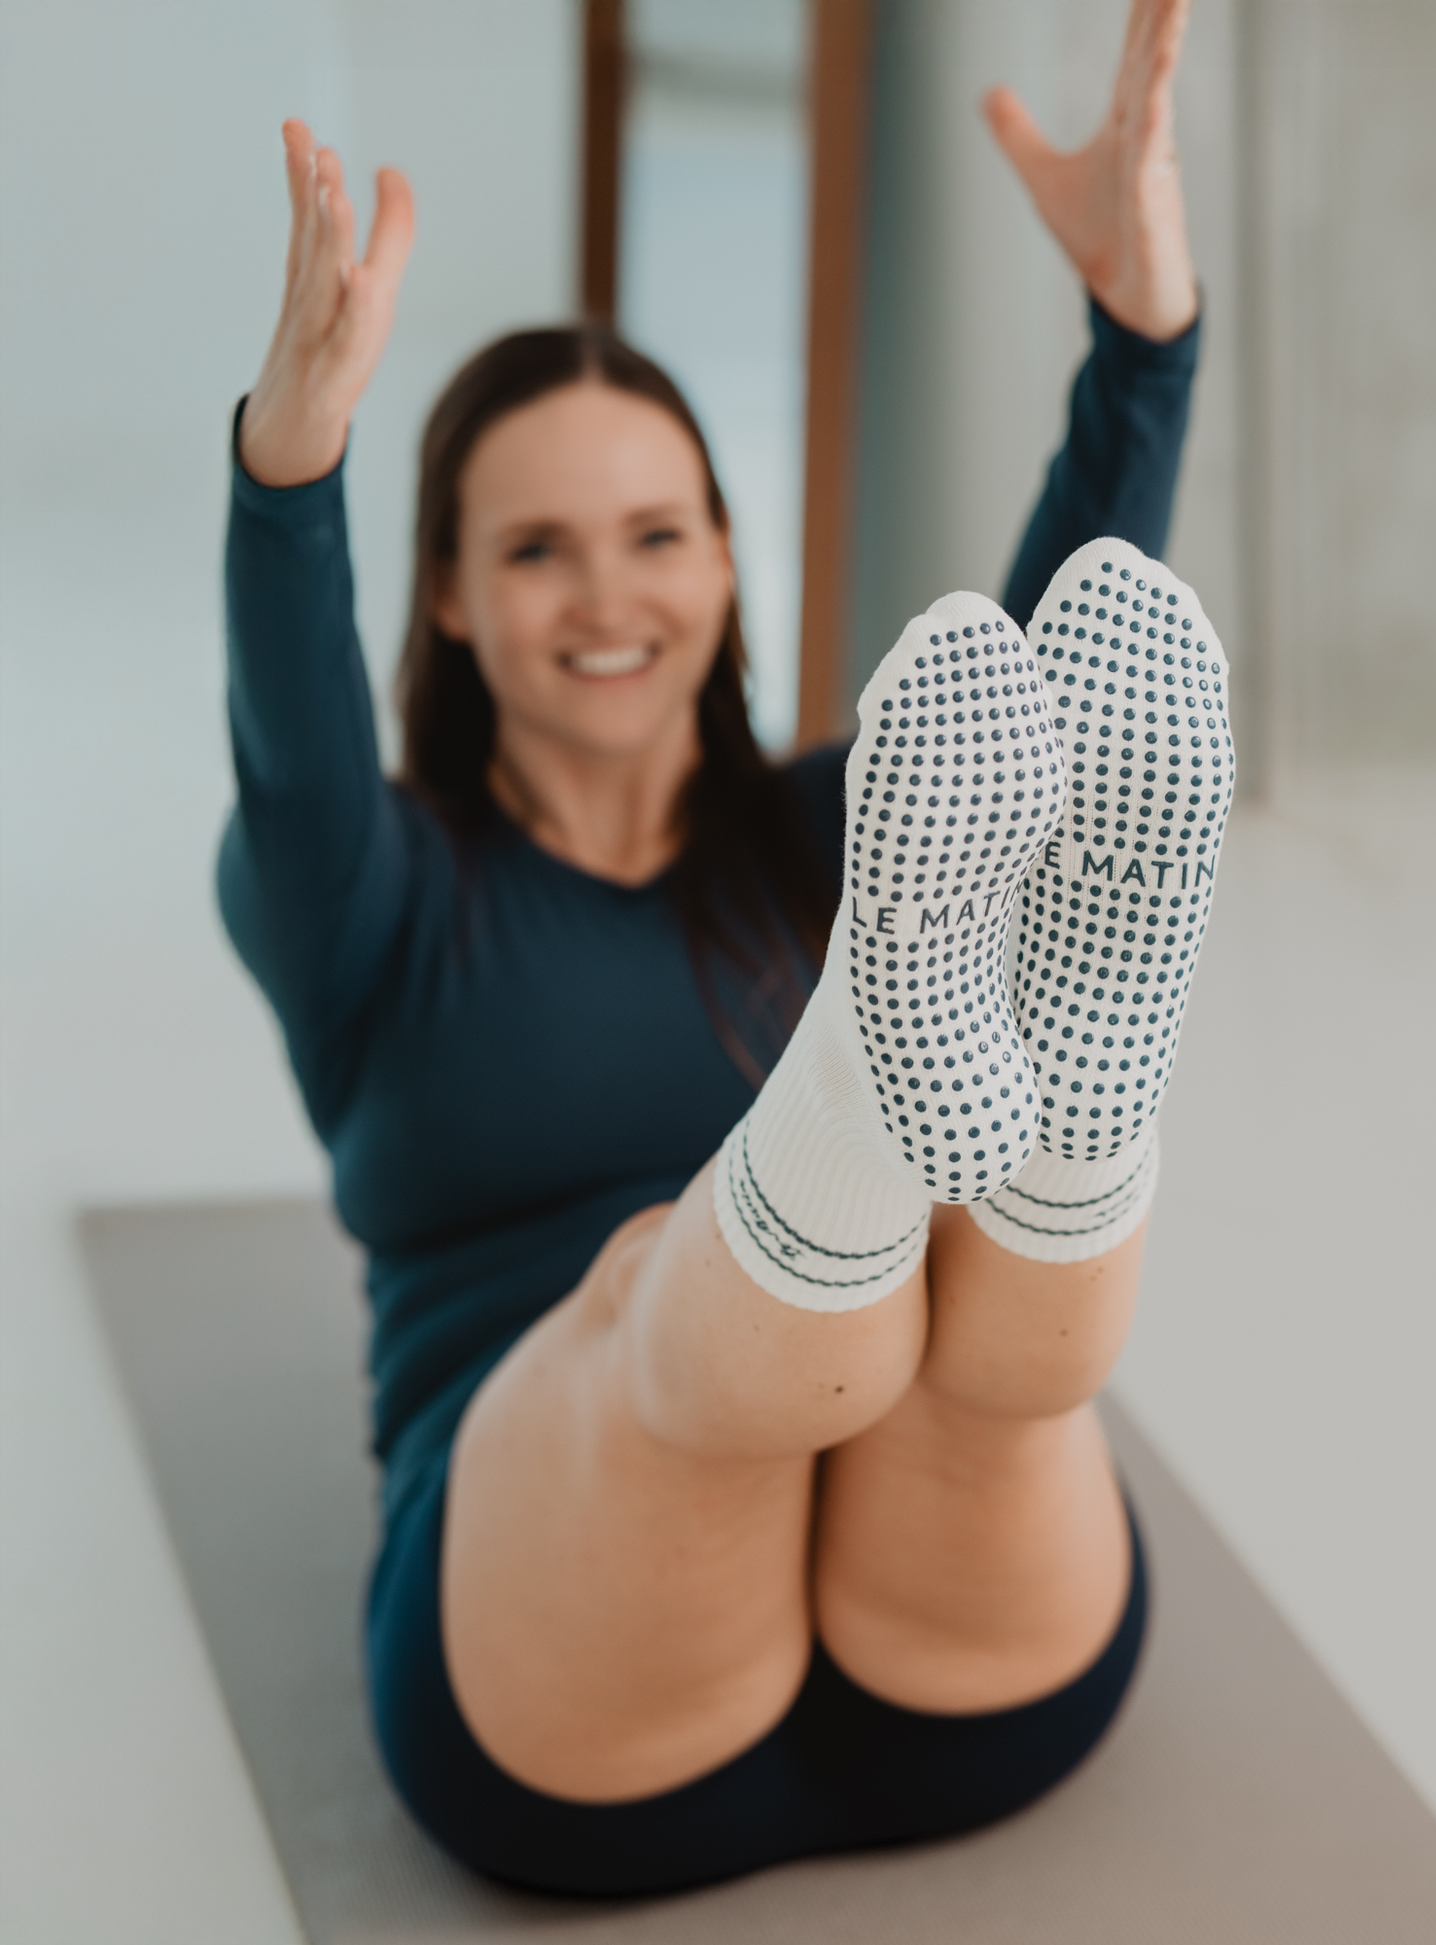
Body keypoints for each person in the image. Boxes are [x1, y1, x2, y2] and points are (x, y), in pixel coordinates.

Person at [222, 0, 1230, 1898]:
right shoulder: (368, 897)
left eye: (658, 534)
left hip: (969, 1662)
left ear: (723, 562)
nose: (609, 596)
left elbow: (1060, 676)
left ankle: (1066, 1125)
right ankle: (890, 1108)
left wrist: (1145, 340)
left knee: (974, 1343)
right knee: (635, 1279)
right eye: (534, 552)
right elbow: (287, 761)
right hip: (575, 1692)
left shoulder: (834, 824)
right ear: (443, 589)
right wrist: (289, 466)